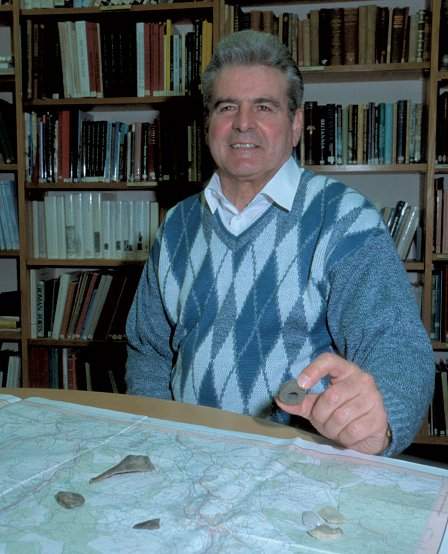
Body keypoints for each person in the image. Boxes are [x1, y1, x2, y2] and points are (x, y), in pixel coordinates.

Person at [126, 29, 435, 457]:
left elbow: (397, 344)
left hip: (301, 471)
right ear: (208, 124)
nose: (243, 123)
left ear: (295, 125)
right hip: (188, 461)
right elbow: (149, 349)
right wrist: (157, 435)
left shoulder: (345, 218)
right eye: (227, 106)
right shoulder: (176, 226)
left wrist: (381, 421)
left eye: (264, 107)